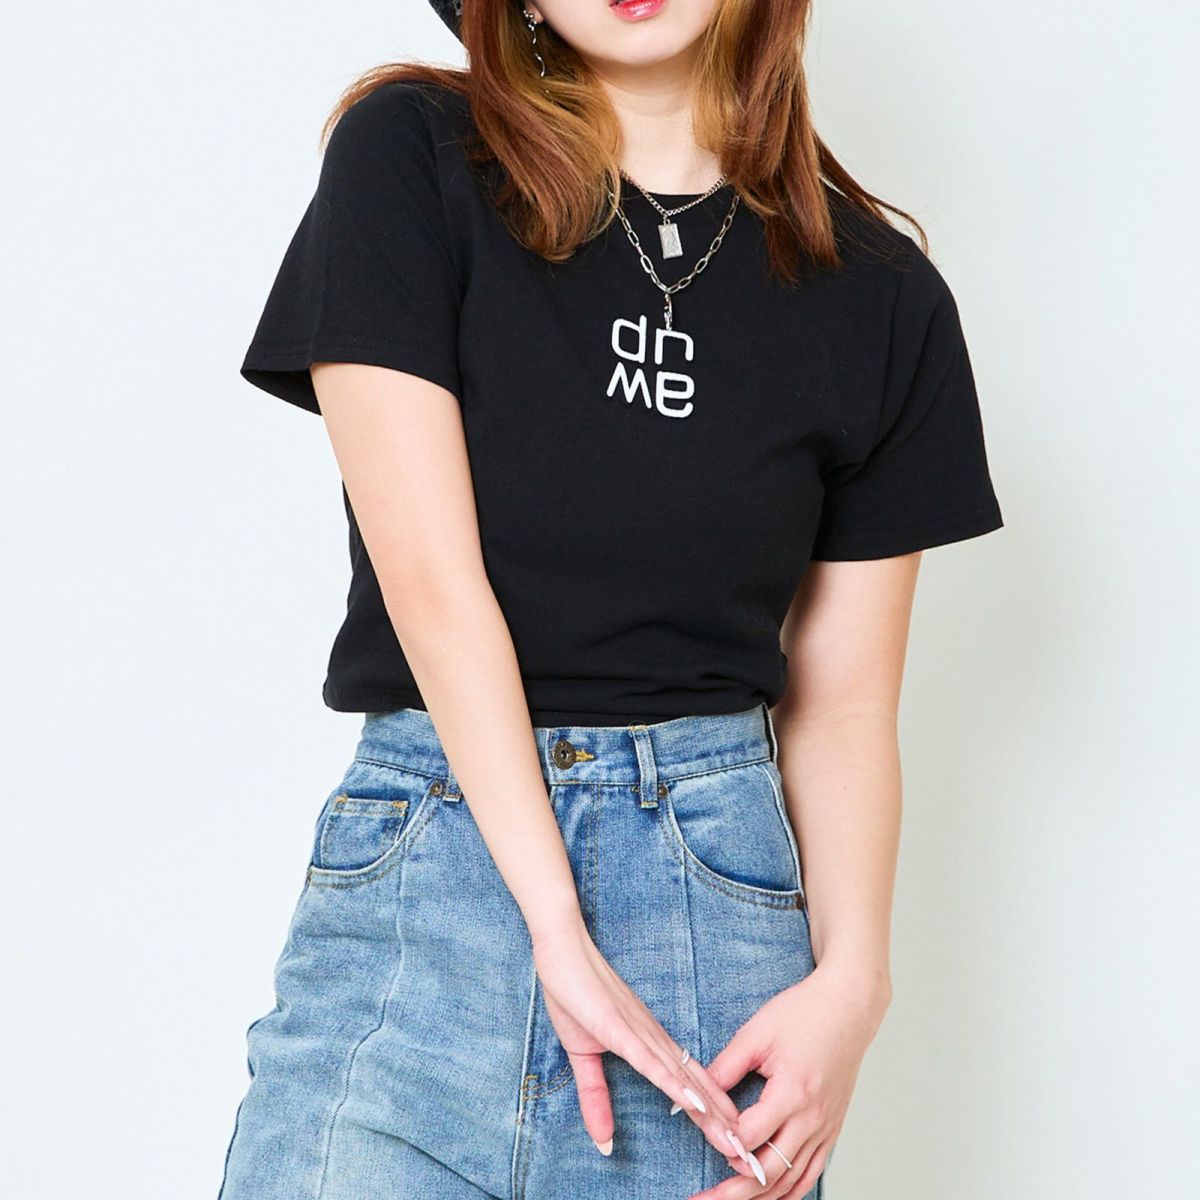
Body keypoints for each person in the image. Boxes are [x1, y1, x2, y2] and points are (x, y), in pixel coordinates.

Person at [217, 2, 1003, 1198]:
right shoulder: (413, 154)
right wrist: (555, 926)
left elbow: (844, 707)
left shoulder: (883, 296)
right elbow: (435, 588)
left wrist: (855, 984)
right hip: (431, 879)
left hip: (707, 918)